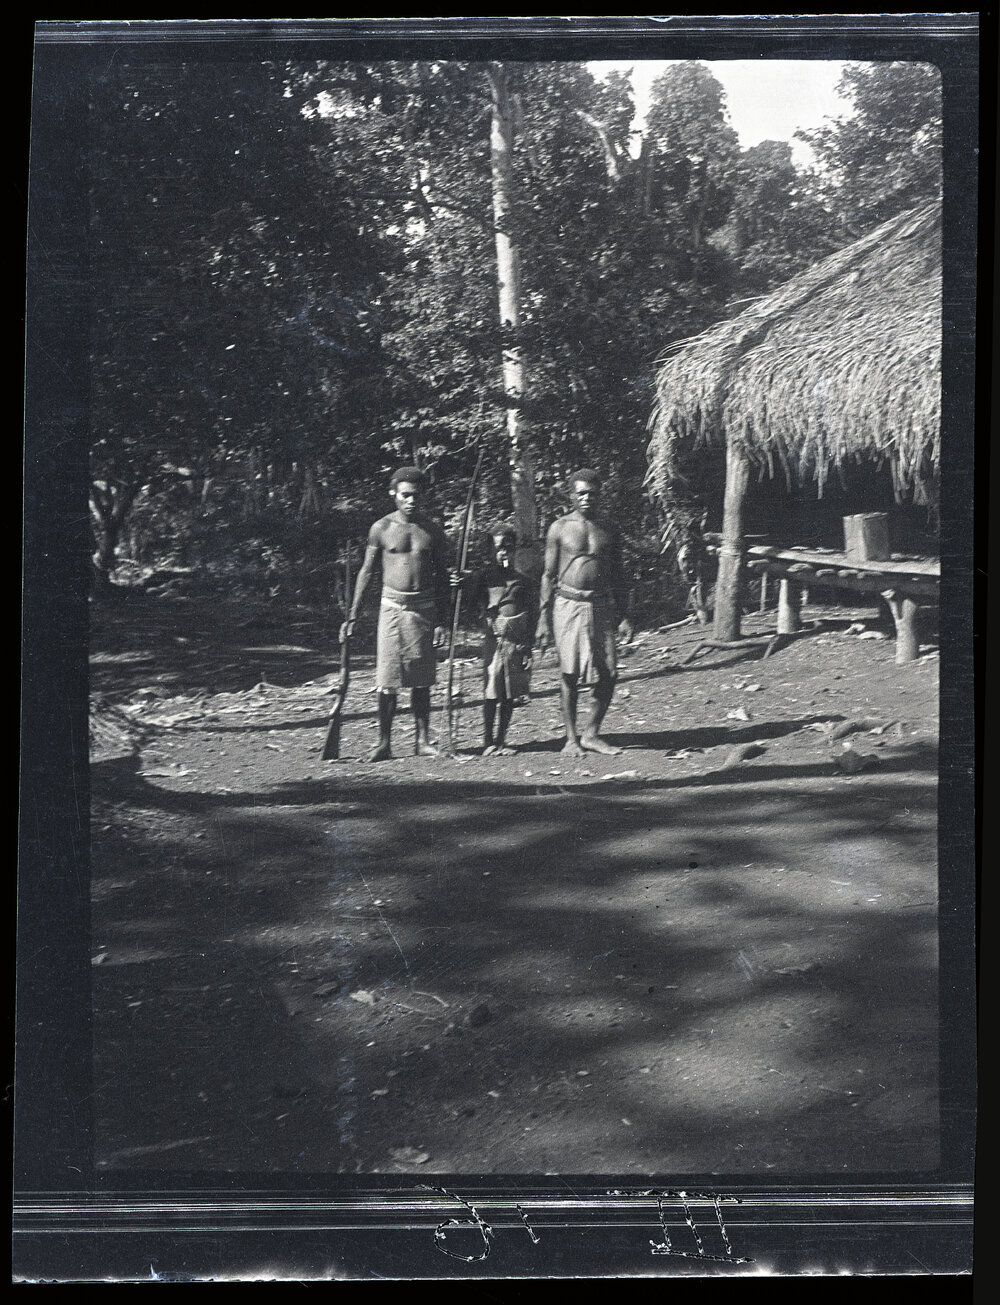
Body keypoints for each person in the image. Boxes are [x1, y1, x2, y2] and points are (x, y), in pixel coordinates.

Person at [340, 467, 450, 761]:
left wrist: (444, 621)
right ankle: (384, 742)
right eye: (405, 495)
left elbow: (443, 578)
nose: (411, 501)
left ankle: (423, 740)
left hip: (424, 610)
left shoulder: (433, 531)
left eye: (416, 496)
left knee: (422, 679)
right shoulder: (381, 528)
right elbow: (367, 571)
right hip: (392, 608)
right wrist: (352, 615)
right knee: (387, 680)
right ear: (393, 494)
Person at [539, 469, 631, 756]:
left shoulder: (610, 529)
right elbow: (547, 575)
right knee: (570, 673)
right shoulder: (559, 528)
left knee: (610, 673)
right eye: (581, 493)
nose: (587, 498)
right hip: (568, 604)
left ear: (600, 494)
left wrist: (625, 614)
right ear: (572, 495)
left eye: (592, 493)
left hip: (601, 605)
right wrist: (543, 618)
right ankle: (570, 739)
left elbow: (618, 573)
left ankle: (591, 733)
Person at [464, 527, 538, 755]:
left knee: (509, 692)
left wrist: (528, 644)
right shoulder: (484, 578)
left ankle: (501, 739)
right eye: (498, 548)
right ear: (490, 551)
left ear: (514, 549)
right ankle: (487, 741)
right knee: (491, 690)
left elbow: (532, 612)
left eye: (507, 547)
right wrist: (461, 587)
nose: (503, 552)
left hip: (515, 642)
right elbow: (468, 603)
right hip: (493, 641)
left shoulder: (523, 581)